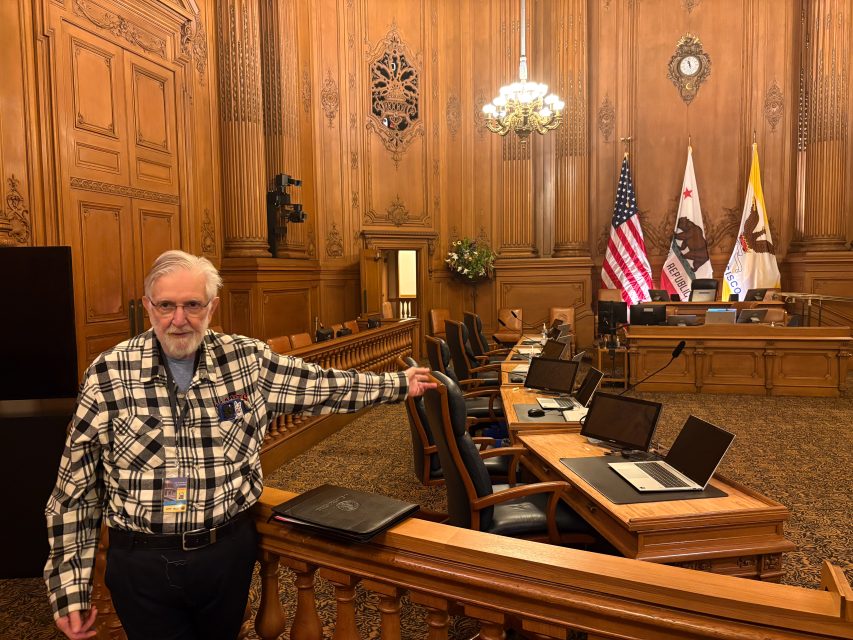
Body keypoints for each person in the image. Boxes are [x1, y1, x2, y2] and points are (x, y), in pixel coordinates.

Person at [45, 250, 436, 640]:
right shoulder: (109, 373)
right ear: (148, 306)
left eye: (192, 305)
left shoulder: (247, 361)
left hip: (226, 554)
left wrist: (399, 384)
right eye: (166, 305)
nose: (178, 320)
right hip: (142, 562)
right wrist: (69, 589)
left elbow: (324, 386)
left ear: (212, 307)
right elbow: (74, 493)